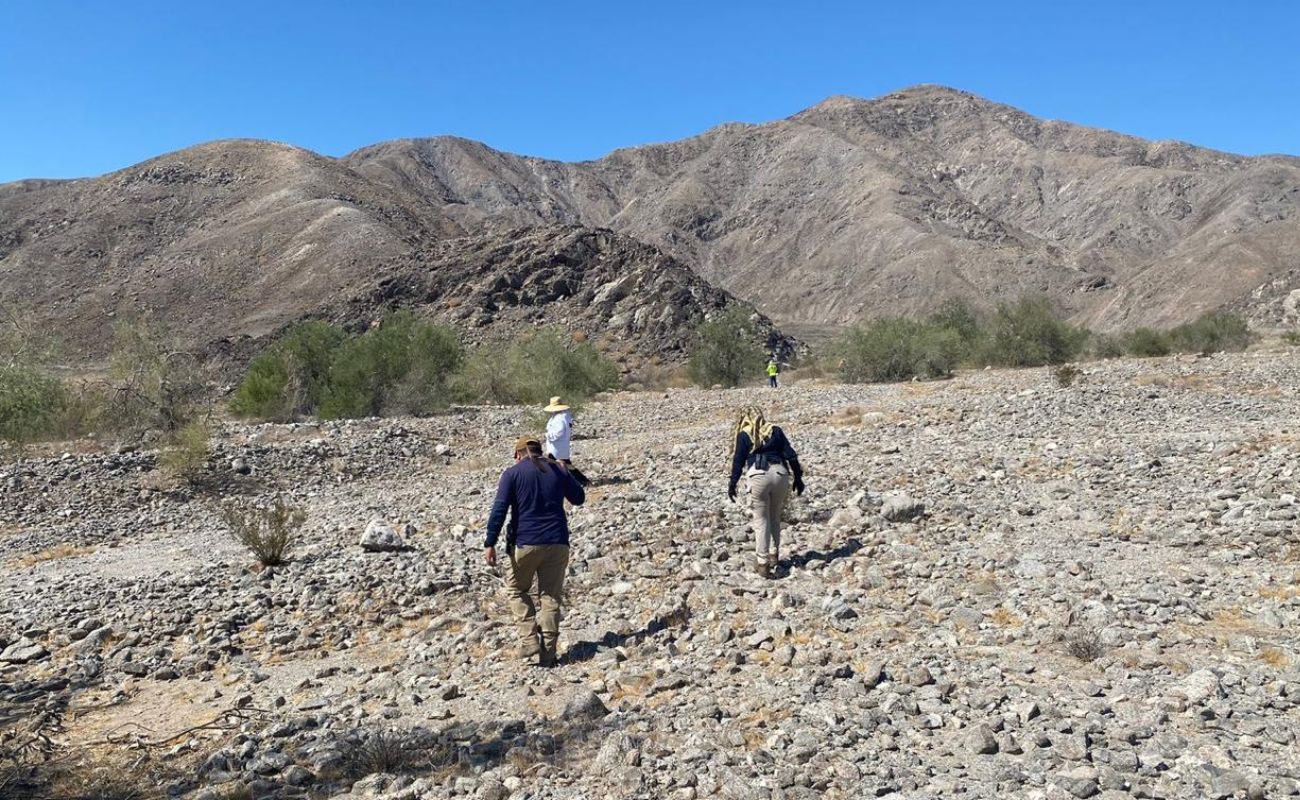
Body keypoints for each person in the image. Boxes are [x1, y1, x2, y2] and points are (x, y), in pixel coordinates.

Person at [484, 436, 585, 666]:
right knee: (550, 597)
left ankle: (529, 641)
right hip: (557, 542)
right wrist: (565, 470)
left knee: (518, 590)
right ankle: (548, 654)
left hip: (524, 543)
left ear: (519, 455)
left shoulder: (512, 473)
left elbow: (499, 510)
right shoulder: (557, 469)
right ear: (540, 451)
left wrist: (490, 542)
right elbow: (579, 498)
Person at [728, 406, 804, 578]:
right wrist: (798, 478)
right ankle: (774, 555)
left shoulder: (745, 434)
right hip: (780, 474)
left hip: (758, 475)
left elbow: (738, 462)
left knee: (761, 520)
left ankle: (762, 564)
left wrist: (732, 484)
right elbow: (791, 455)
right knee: (775, 516)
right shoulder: (775, 431)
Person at [543, 396, 590, 487]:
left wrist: (548, 435)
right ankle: (581, 480)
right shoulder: (562, 415)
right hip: (559, 446)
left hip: (557, 446)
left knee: (556, 463)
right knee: (564, 463)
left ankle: (580, 481)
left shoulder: (561, 417)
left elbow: (559, 432)